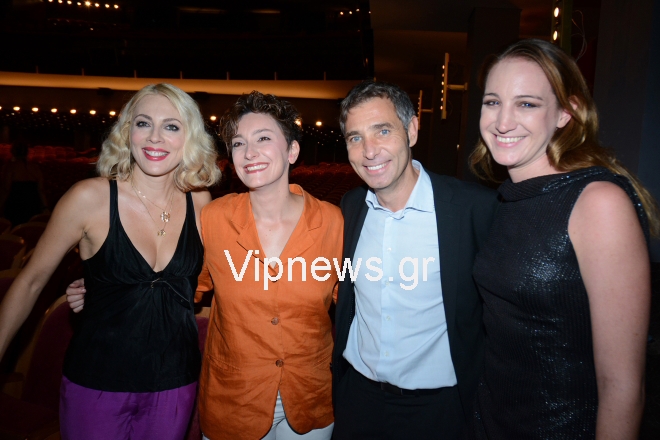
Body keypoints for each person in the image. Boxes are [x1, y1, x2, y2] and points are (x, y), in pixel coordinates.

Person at [0, 83, 220, 439]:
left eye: (171, 126)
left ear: (190, 138)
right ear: (127, 131)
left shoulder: (201, 202)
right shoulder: (89, 198)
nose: (155, 137)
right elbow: (30, 281)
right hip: (97, 381)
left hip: (175, 382)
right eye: (143, 123)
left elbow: (208, 285)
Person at [469, 38, 658, 439]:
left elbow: (623, 387)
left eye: (527, 104)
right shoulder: (508, 200)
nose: (503, 121)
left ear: (565, 113)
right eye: (492, 102)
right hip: (491, 423)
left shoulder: (598, 203)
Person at [331, 80, 499, 440]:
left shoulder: (473, 209)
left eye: (383, 131)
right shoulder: (351, 207)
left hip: (439, 411)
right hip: (358, 400)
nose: (369, 151)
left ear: (411, 131)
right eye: (355, 137)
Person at [196, 91, 342, 440]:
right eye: (238, 143)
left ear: (292, 151)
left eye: (263, 138)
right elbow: (180, 287)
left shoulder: (332, 221)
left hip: (310, 396)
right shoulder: (213, 219)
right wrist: (106, 290)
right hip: (234, 399)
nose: (249, 153)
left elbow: (354, 299)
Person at [0, 141, 48, 226]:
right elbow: (41, 190)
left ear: (13, 152)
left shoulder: (10, 167)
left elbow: (6, 189)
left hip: (15, 205)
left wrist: (1, 206)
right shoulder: (35, 167)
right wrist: (45, 207)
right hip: (33, 204)